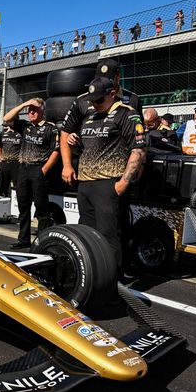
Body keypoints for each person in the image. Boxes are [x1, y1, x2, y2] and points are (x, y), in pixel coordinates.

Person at [71, 77, 147, 274]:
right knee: (87, 233)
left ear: (112, 94)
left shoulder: (127, 114)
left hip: (108, 183)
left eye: (99, 100)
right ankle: (91, 273)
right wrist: (75, 142)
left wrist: (123, 182)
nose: (94, 104)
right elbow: (87, 149)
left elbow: (138, 151)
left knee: (109, 235)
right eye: (92, 100)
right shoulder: (89, 116)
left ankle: (113, 279)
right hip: (85, 183)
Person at [61, 59, 142, 181]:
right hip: (87, 172)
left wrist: (135, 172)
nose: (104, 82)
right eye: (100, 78)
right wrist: (67, 166)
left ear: (118, 77)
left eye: (108, 79)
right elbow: (65, 131)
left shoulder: (132, 99)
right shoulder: (82, 100)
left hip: (118, 173)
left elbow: (139, 138)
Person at [3, 98, 60, 249]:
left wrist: (44, 170)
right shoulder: (25, 126)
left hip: (39, 170)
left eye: (34, 109)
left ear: (42, 111)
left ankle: (42, 242)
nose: (31, 112)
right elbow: (6, 118)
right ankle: (23, 239)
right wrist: (24, 104)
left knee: (41, 208)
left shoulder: (51, 128)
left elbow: (56, 151)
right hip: (22, 169)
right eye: (29, 110)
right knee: (23, 206)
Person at [0, 119, 21, 197]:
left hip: (16, 163)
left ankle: (16, 203)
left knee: (18, 186)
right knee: (3, 185)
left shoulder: (21, 133)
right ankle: (4, 201)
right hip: (4, 163)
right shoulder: (3, 133)